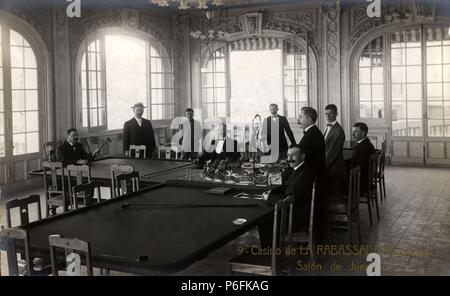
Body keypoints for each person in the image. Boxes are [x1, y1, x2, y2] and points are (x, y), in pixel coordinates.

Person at [258, 145, 315, 247]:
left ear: (303, 156)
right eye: (288, 155)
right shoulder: (298, 169)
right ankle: (271, 251)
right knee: (267, 215)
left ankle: (270, 254)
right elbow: (285, 187)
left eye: (293, 155)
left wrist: (269, 198)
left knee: (264, 219)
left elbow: (290, 196)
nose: (289, 159)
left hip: (297, 218)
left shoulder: (304, 173)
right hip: (296, 211)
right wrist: (271, 193)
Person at [323, 104, 346, 196]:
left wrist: (321, 167)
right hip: (330, 166)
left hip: (334, 169)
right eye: (326, 114)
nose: (328, 116)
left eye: (330, 114)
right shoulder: (329, 127)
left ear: (336, 114)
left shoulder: (338, 130)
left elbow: (332, 153)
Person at [298, 107, 325, 177]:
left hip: (310, 176)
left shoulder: (311, 135)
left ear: (309, 119)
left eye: (301, 117)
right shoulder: (313, 131)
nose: (298, 120)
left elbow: (301, 157)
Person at [349, 122, 375, 194]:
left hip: (361, 181)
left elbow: (359, 166)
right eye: (352, 132)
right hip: (363, 177)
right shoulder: (365, 144)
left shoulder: (365, 147)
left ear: (363, 133)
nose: (353, 134)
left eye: (355, 132)